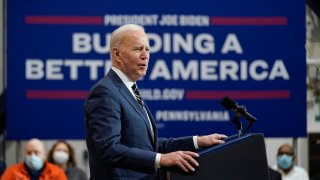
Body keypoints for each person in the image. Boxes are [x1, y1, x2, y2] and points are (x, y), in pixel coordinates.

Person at [84, 24, 227, 179]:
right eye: (138, 49)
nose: (145, 55)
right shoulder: (105, 92)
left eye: (148, 49)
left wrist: (198, 142)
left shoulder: (130, 90)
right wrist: (161, 159)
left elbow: (147, 146)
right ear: (117, 55)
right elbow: (109, 149)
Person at [1, 138, 67, 180]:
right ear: (24, 155)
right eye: (29, 153)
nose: (32, 156)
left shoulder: (57, 173)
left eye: (36, 152)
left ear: (44, 155)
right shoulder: (12, 172)